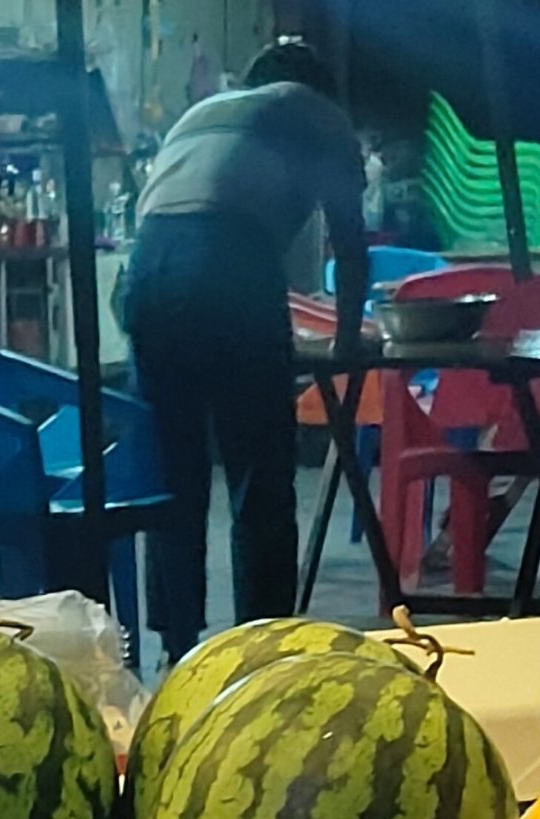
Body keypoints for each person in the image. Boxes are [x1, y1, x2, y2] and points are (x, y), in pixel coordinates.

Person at [119, 38, 368, 659]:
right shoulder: (318, 113)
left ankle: (178, 649)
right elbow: (352, 245)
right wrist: (343, 343)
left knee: (173, 474)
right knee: (260, 471)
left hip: (147, 273)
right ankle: (265, 645)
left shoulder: (204, 112)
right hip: (226, 261)